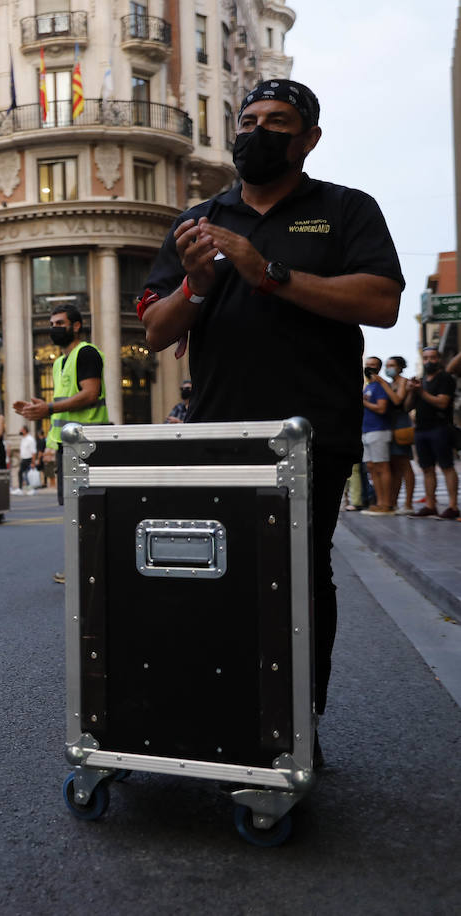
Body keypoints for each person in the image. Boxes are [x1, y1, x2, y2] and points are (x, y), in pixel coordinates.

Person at [136, 78, 404, 735]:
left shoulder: (345, 210)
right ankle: (224, 707)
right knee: (214, 570)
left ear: (308, 139)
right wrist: (198, 286)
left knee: (300, 576)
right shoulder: (198, 221)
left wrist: (268, 272)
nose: (257, 132)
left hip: (314, 432)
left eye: (277, 121)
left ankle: (295, 720)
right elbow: (156, 330)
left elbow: (382, 303)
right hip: (218, 432)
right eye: (248, 119)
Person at [15, 304, 108, 582]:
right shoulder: (58, 362)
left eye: (59, 323)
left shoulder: (87, 353)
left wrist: (49, 408)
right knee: (73, 510)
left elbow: (90, 394)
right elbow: (62, 406)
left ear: (76, 325)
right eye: (51, 323)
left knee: (87, 509)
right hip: (66, 445)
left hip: (86, 442)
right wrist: (41, 410)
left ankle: (89, 567)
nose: (53, 327)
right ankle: (82, 565)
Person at [407, 346, 458, 518]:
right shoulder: (422, 381)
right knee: (427, 468)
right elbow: (407, 407)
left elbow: (442, 403)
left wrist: (421, 391)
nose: (429, 361)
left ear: (439, 359)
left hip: (440, 428)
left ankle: (452, 506)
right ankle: (430, 505)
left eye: (433, 358)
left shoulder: (445, 378)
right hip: (421, 430)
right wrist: (411, 392)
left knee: (446, 466)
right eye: (426, 358)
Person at [382, 355, 415, 513]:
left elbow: (398, 400)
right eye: (387, 365)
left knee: (404, 464)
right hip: (390, 425)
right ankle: (393, 501)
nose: (389, 368)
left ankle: (408, 504)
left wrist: (382, 384)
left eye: (392, 365)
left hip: (401, 425)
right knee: (394, 466)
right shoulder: (391, 383)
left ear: (400, 367)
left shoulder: (403, 382)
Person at [361, 357, 393, 515]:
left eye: (373, 366)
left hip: (379, 430)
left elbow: (381, 408)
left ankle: (386, 504)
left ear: (379, 368)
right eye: (367, 365)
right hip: (366, 431)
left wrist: (364, 403)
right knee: (372, 468)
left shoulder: (380, 386)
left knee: (382, 467)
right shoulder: (368, 386)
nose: (369, 368)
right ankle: (379, 503)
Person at [18, 424, 38, 495]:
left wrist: (33, 462)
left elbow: (33, 452)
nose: (20, 431)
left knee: (27, 474)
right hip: (24, 459)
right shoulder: (23, 438)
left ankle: (29, 489)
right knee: (23, 474)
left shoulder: (30, 439)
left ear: (25, 430)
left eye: (21, 429)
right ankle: (23, 489)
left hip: (28, 459)